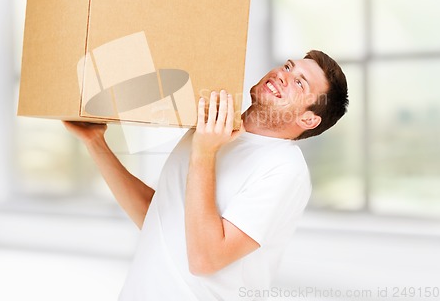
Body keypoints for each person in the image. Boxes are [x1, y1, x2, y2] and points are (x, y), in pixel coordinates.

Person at [63, 50, 348, 300]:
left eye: (300, 83)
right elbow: (158, 216)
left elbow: (205, 259)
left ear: (308, 120)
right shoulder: (214, 127)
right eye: (288, 67)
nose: (284, 75)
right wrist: (95, 142)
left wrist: (204, 151)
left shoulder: (285, 169)